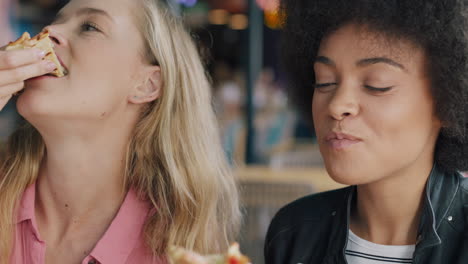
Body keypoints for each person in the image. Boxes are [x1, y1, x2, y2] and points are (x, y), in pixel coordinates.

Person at [0, 0, 240, 263]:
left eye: (90, 26)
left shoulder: (174, 251)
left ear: (147, 84)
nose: (48, 31)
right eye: (56, 21)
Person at [265, 0, 468, 263]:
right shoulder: (293, 233)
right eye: (324, 81)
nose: (337, 105)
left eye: (376, 84)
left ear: (447, 102)